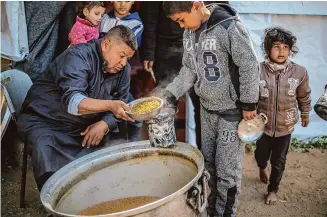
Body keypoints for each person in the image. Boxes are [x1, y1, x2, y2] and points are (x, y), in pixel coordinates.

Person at [161, 2, 259, 217]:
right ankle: (212, 210)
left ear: (196, 6)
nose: (181, 26)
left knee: (227, 173)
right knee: (209, 166)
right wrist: (171, 93)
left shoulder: (229, 27)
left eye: (181, 19)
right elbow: (189, 68)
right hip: (207, 110)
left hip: (232, 114)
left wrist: (249, 103)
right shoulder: (189, 32)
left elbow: (249, 64)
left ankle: (226, 213)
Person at [18, 26, 137, 191]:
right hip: (45, 120)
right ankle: (60, 205)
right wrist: (110, 105)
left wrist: (104, 124)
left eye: (128, 58)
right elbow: (73, 102)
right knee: (44, 147)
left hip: (83, 125)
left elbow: (122, 100)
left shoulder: (123, 70)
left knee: (114, 150)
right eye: (121, 55)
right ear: (106, 44)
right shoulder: (78, 56)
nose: (123, 63)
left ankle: (100, 198)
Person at [255, 27, 312, 205]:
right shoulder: (258, 70)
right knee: (261, 155)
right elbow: (250, 97)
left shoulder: (299, 72)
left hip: (284, 127)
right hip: (262, 126)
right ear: (267, 49)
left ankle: (273, 190)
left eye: (286, 47)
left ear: (290, 50)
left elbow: (304, 95)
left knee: (279, 161)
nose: (281, 51)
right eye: (277, 46)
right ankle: (262, 167)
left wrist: (305, 113)